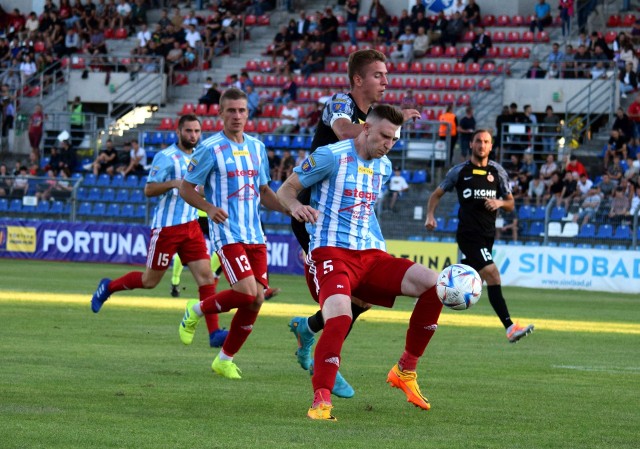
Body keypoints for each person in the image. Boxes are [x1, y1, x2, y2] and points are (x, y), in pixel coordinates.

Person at [278, 105, 443, 421]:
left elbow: (363, 215)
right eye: (383, 136)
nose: (388, 144)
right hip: (331, 253)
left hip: (370, 257)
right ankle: (321, 400)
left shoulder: (383, 168)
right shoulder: (330, 156)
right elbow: (287, 190)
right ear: (365, 128)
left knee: (434, 284)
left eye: (393, 139)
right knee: (339, 316)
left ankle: (405, 369)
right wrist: (295, 207)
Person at [286, 49, 421, 399]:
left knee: (363, 299)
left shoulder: (376, 125)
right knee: (342, 301)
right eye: (378, 75)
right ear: (358, 79)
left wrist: (387, 124)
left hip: (355, 214)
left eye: (387, 75)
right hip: (317, 212)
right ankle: (322, 362)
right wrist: (384, 123)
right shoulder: (340, 104)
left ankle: (309, 330)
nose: (386, 81)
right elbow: (346, 131)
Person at [90, 114, 229, 348]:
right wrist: (174, 183)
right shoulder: (166, 157)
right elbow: (149, 189)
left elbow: (200, 190)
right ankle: (108, 286)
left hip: (192, 225)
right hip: (166, 228)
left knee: (206, 278)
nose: (193, 135)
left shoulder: (202, 156)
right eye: (188, 131)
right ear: (178, 131)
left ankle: (214, 332)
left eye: (196, 131)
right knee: (149, 281)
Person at [176, 88, 286, 379]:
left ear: (248, 114)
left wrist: (291, 210)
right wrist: (209, 208)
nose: (237, 116)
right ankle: (196, 309)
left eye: (242, 111)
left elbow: (264, 192)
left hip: (256, 235)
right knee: (248, 292)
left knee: (257, 300)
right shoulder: (209, 148)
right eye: (231, 111)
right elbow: (186, 188)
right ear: (221, 114)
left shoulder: (257, 148)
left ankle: (224, 359)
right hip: (227, 234)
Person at [426, 129, 534, 343]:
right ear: (471, 144)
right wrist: (430, 215)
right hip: (469, 235)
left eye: (486, 142)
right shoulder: (459, 171)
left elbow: (511, 203)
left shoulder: (498, 172)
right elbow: (436, 194)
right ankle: (510, 327)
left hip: (488, 236)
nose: (482, 145)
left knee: (462, 281)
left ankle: (427, 298)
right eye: (478, 141)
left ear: (491, 146)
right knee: (493, 275)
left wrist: (500, 202)